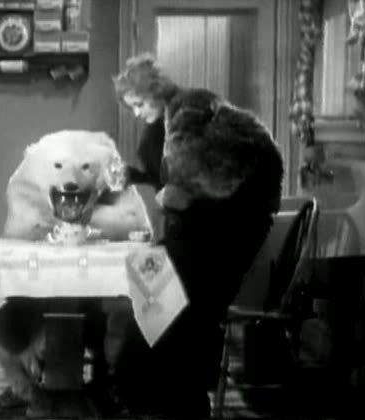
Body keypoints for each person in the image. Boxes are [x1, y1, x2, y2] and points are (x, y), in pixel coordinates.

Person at [104, 52, 285, 418]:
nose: (137, 112)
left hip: (227, 226)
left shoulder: (190, 110)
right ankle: (148, 390)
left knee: (167, 301)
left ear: (155, 91)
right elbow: (174, 176)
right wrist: (138, 177)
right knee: (153, 282)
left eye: (139, 103)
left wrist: (174, 194)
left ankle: (147, 390)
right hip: (212, 225)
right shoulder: (169, 122)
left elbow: (203, 175)